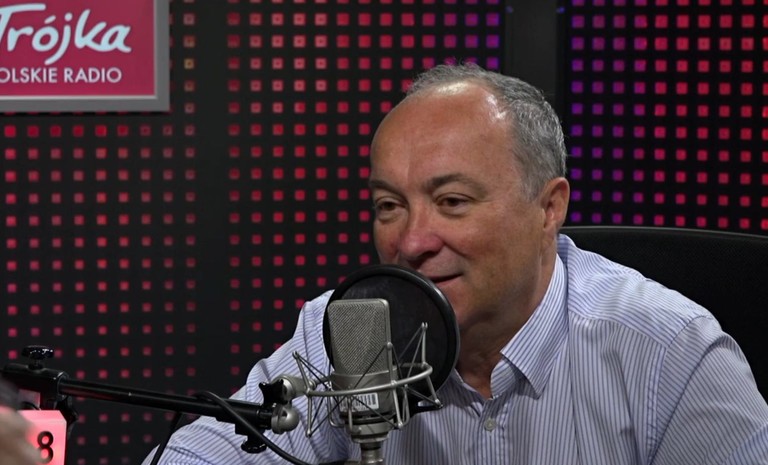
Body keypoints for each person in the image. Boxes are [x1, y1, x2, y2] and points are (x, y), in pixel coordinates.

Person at [143, 63, 768, 464]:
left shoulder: (670, 353)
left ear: (548, 208)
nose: (412, 242)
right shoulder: (355, 327)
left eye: (452, 202)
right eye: (389, 206)